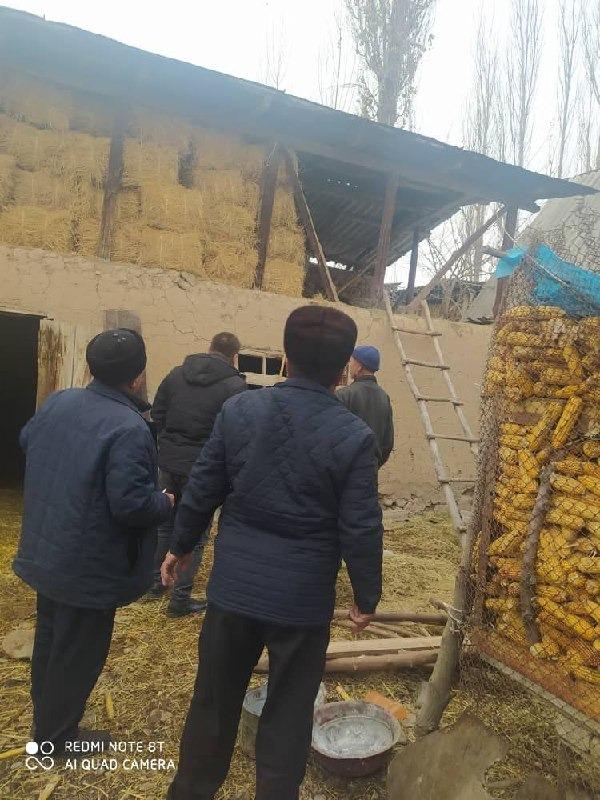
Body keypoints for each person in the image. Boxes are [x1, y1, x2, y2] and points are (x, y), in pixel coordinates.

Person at [161, 305, 383, 800]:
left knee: (213, 703)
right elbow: (362, 525)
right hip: (301, 604)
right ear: (343, 369)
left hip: (234, 592)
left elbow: (203, 486)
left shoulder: (241, 411)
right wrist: (367, 595)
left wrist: (180, 545)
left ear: (285, 358)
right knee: (289, 712)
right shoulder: (353, 437)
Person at [13, 329, 173, 754]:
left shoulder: (59, 402)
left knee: (51, 641)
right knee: (78, 652)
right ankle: (57, 739)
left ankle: (45, 726)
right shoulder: (129, 427)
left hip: (48, 547)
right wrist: (164, 501)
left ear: (91, 366)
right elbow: (131, 505)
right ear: (138, 377)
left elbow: (28, 441)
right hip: (88, 565)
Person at [148, 332, 246, 616]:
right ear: (234, 356)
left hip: (168, 461)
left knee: (165, 525)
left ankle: (156, 584)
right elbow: (234, 431)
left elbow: (157, 413)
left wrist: (169, 442)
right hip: (202, 468)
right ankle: (179, 599)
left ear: (209, 348)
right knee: (197, 534)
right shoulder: (234, 386)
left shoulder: (176, 375)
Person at [337, 345, 394, 468]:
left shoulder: (344, 395)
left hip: (345, 470)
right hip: (370, 470)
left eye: (352, 361)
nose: (349, 365)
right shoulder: (384, 397)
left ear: (359, 367)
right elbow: (388, 443)